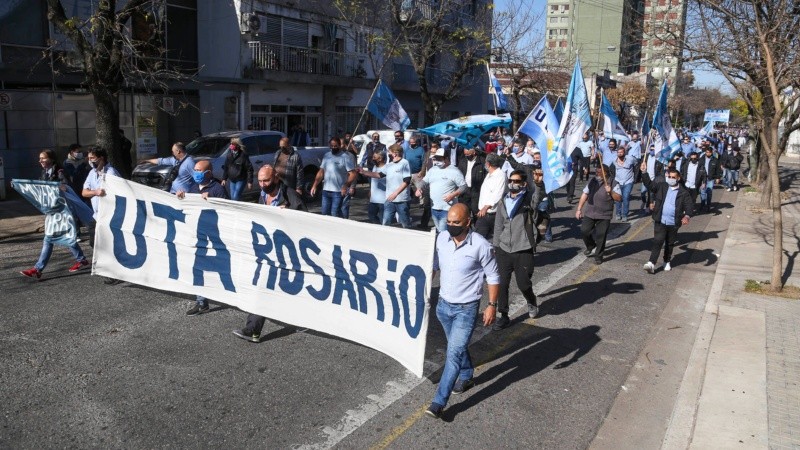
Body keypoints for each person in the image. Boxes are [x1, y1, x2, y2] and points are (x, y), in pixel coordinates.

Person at [425, 203, 499, 419]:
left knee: (453, 354)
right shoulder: (441, 239)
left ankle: (438, 402)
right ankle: (466, 374)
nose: (451, 226)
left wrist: (491, 305)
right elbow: (435, 265)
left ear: (468, 222)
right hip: (443, 307)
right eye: (448, 221)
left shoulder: (481, 246)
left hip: (466, 310)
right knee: (456, 347)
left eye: (456, 222)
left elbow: (493, 276)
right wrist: (425, 288)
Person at [233, 165, 307, 343]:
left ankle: (255, 328)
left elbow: (306, 222)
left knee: (278, 286)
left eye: (266, 180)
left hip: (287, 251)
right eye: (259, 181)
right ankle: (253, 329)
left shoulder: (291, 196)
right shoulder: (262, 195)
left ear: (276, 177)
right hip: (269, 251)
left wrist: (288, 216)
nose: (262, 184)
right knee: (265, 286)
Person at [19, 150, 90, 280]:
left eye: (43, 158)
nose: (40, 161)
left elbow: (66, 187)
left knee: (51, 238)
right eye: (39, 158)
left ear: (51, 159)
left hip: (63, 212)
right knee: (62, 236)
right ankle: (81, 260)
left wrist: (59, 186)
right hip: (53, 211)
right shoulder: (45, 172)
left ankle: (38, 269)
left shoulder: (60, 172)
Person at [176, 159, 229, 315]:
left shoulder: (218, 189)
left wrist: (212, 200)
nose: (196, 173)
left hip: (215, 236)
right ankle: (201, 302)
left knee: (222, 268)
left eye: (199, 170)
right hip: (198, 235)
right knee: (197, 267)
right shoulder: (193, 188)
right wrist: (182, 198)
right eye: (195, 170)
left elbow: (228, 210)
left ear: (209, 173)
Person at [491, 169, 541, 330]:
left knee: (523, 284)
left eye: (516, 181)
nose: (512, 183)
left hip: (523, 248)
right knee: (502, 284)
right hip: (504, 248)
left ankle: (531, 301)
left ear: (524, 184)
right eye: (510, 180)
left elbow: (537, 199)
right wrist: (496, 245)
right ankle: (503, 315)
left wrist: (538, 184)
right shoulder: (503, 201)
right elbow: (498, 225)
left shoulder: (528, 200)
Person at [640, 162, 694, 274]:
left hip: (673, 223)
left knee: (669, 243)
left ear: (678, 178)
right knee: (658, 241)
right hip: (660, 220)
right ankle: (651, 263)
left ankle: (667, 261)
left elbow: (689, 205)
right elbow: (650, 185)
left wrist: (687, 216)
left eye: (673, 177)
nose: (671, 179)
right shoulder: (662, 186)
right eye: (669, 177)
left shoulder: (683, 193)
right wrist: (644, 172)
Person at [576, 165, 622, 265]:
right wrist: (579, 209)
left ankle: (598, 255)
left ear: (606, 173)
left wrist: (611, 191)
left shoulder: (613, 183)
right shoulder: (592, 181)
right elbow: (584, 194)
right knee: (584, 231)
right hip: (590, 212)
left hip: (604, 214)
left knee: (601, 235)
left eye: (599, 172)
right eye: (596, 172)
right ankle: (591, 246)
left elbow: (619, 198)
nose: (597, 174)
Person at [416, 147, 467, 232]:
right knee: (440, 230)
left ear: (446, 158)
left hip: (447, 209)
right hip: (434, 207)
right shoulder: (433, 170)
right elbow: (424, 181)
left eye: (440, 159)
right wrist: (419, 188)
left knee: (443, 232)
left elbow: (463, 186)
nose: (437, 161)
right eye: (436, 159)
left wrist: (453, 195)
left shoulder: (454, 171)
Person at [82, 147, 122, 247]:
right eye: (88, 158)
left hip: (109, 216)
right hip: (97, 216)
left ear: (101, 158)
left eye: (92, 158)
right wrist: (95, 192)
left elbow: (119, 192)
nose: (90, 161)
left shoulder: (111, 172)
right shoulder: (92, 173)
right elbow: (84, 192)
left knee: (109, 245)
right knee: (94, 243)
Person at [310, 137, 356, 217]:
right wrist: (314, 185)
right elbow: (321, 172)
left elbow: (353, 174)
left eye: (335, 146)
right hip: (326, 190)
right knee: (324, 213)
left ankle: (342, 224)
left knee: (335, 213)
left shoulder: (345, 157)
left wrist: (346, 185)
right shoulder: (327, 156)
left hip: (338, 191)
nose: (333, 147)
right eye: (332, 146)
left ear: (339, 145)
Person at [475, 153, 506, 240]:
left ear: (488, 164)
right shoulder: (489, 174)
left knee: (493, 239)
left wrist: (485, 207)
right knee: (478, 238)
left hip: (492, 214)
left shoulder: (500, 175)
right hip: (483, 213)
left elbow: (498, 194)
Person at [456, 145, 487, 219]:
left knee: (476, 211)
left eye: (468, 155)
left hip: (476, 191)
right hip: (465, 190)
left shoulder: (482, 162)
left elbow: (486, 176)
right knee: (464, 212)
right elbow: (459, 175)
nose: (467, 156)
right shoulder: (462, 161)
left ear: (474, 152)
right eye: (465, 155)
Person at [611, 141, 637, 221]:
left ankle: (625, 215)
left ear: (624, 153)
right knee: (618, 198)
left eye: (621, 152)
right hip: (618, 181)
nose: (619, 154)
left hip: (628, 182)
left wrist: (636, 177)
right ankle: (618, 213)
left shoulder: (630, 159)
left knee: (625, 197)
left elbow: (636, 165)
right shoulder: (614, 160)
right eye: (618, 152)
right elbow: (611, 169)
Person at [698, 144, 722, 213]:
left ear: (711, 153)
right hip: (702, 179)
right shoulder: (701, 159)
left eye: (709, 152)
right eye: (706, 152)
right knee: (702, 192)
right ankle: (702, 204)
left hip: (710, 178)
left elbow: (718, 170)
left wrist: (718, 178)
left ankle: (708, 205)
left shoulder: (715, 160)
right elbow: (698, 168)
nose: (707, 153)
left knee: (709, 192)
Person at [366, 150, 388, 224]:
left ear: (380, 158)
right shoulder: (375, 167)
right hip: (373, 199)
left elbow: (378, 176)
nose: (373, 159)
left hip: (383, 200)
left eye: (374, 157)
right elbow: (373, 181)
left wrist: (363, 172)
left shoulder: (387, 168)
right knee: (371, 216)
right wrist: (370, 191)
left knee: (383, 220)